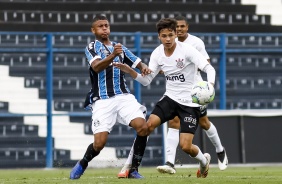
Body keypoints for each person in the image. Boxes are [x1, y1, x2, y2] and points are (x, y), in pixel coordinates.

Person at [117, 15, 228, 178]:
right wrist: (131, 71)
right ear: (159, 36)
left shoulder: (188, 50)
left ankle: (204, 161)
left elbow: (209, 69)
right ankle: (132, 168)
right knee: (146, 127)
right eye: (164, 36)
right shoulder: (157, 53)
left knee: (185, 146)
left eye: (170, 35)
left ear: (176, 34)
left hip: (190, 103)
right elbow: (147, 81)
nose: (168, 39)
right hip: (170, 99)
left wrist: (209, 85)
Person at [69, 14, 150, 180]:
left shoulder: (118, 47)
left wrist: (144, 67)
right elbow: (97, 67)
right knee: (99, 144)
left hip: (123, 96)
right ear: (93, 30)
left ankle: (133, 169)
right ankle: (83, 163)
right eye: (100, 26)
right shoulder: (92, 47)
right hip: (103, 100)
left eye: (106, 25)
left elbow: (136, 61)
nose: (104, 28)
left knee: (143, 127)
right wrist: (113, 55)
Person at [155, 15, 228, 174]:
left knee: (204, 122)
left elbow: (206, 63)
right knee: (173, 121)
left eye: (182, 26)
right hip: (176, 91)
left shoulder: (196, 43)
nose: (179, 29)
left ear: (187, 27)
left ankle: (220, 150)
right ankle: (169, 162)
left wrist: (208, 84)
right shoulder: (167, 43)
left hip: (196, 91)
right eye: (177, 27)